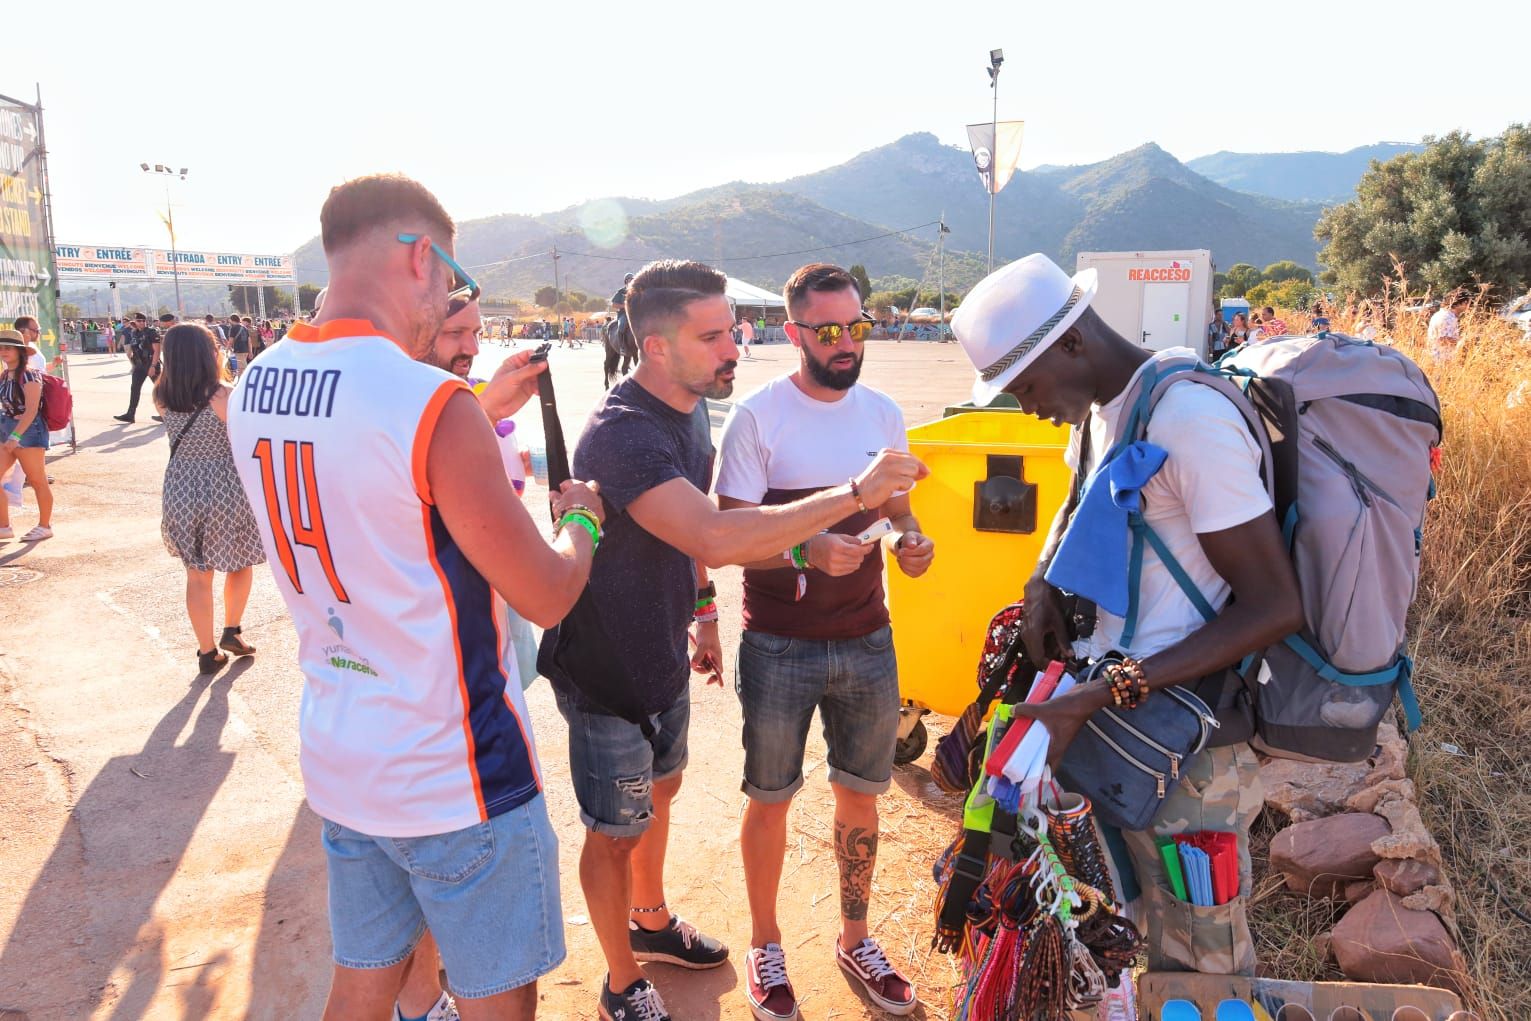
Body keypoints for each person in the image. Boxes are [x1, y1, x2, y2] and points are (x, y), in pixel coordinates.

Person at [228, 173, 604, 1021]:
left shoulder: (255, 383)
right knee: (494, 1004)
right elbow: (545, 594)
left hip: (342, 755)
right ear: (416, 255)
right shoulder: (433, 402)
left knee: (361, 985)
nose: (449, 298)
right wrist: (582, 521)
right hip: (456, 774)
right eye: (450, 275)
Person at [542, 258, 925, 1021]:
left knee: (659, 795)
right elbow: (716, 532)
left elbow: (688, 544)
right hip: (608, 666)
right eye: (714, 335)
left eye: (734, 331)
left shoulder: (685, 408)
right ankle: (622, 981)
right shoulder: (622, 435)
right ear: (655, 345)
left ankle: (650, 922)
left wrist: (703, 612)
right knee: (614, 830)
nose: (733, 349)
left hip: (662, 651)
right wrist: (851, 497)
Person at [950, 254, 1303, 977]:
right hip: (1115, 739)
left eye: (1026, 386)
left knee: (1202, 969)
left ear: (1073, 344)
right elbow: (1085, 514)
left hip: (1187, 758)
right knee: (1119, 940)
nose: (1025, 407)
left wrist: (1099, 692)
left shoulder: (1189, 420)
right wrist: (1039, 582)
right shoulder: (1101, 414)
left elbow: (1275, 605)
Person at [715, 264, 935, 1019]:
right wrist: (802, 551)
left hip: (867, 639)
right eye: (828, 330)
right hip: (778, 643)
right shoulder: (758, 417)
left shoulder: (881, 412)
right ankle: (766, 943)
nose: (846, 344)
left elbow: (899, 503)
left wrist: (911, 538)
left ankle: (854, 936)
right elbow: (728, 538)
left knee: (860, 798)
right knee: (769, 800)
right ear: (792, 332)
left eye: (857, 327)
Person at [153, 323, 265, 674]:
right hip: (225, 485)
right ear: (209, 352)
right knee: (239, 560)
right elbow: (244, 443)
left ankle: (206, 652)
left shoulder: (161, 394)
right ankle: (233, 630)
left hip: (182, 485)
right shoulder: (224, 394)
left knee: (197, 574)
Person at [0, 329, 53, 542]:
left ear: (20, 351)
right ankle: (4, 526)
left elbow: (31, 410)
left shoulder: (30, 374)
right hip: (7, 427)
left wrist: (15, 436)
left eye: (8, 348)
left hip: (28, 430)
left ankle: (45, 526)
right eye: (1, 348)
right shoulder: (5, 375)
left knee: (37, 480)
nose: (3, 352)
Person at [114, 313, 162, 424]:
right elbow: (134, 348)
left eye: (143, 320)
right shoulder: (134, 332)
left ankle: (166, 414)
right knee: (134, 388)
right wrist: (133, 361)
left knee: (160, 390)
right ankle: (130, 415)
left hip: (151, 364)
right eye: (139, 320)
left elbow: (157, 351)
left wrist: (153, 366)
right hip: (139, 365)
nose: (141, 322)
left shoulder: (151, 332)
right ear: (135, 322)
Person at [1428, 292, 1469, 360]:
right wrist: (1464, 342)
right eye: (1468, 303)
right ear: (1463, 303)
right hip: (1442, 359)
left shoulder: (1441, 314)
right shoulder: (1447, 318)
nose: (1468, 306)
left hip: (1439, 358)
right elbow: (1443, 340)